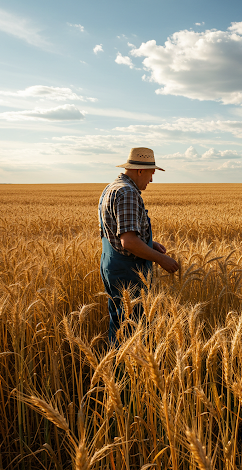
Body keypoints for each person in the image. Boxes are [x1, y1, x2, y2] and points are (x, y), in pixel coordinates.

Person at [98, 147, 180, 344]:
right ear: (140, 170)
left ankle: (116, 370)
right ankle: (124, 371)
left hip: (113, 266)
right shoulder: (128, 193)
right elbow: (128, 242)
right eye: (151, 174)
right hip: (129, 271)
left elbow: (119, 233)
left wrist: (150, 243)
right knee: (133, 329)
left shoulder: (112, 188)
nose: (151, 180)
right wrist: (161, 259)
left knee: (120, 324)